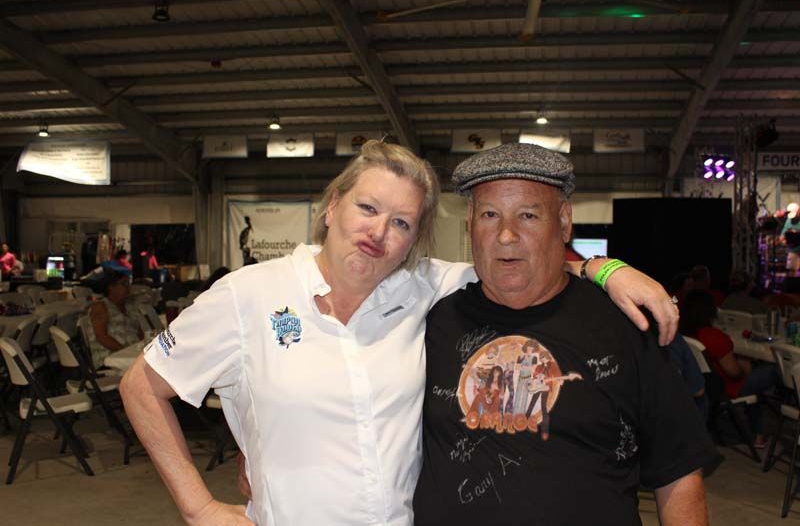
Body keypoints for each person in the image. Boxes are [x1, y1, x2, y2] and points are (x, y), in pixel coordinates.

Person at [119, 141, 679, 526]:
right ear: (333, 206)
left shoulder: (423, 291)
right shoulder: (248, 295)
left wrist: (605, 268)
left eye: (402, 223)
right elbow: (142, 386)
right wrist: (198, 507)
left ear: (414, 240)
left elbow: (520, 260)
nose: (378, 232)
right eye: (367, 207)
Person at [413, 143, 719, 526]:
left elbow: (678, 471)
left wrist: (602, 268)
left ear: (563, 222)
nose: (506, 235)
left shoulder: (624, 325)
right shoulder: (432, 320)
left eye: (528, 215)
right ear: (470, 223)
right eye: (490, 214)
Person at [680, 289, 779, 448]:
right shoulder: (714, 337)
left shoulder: (684, 334)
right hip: (726, 388)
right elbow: (734, 373)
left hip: (701, 384)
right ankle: (761, 431)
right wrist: (745, 367)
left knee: (756, 369)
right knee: (774, 369)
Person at [86, 269, 143, 369]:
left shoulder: (129, 307)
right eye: (124, 284)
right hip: (110, 360)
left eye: (128, 284)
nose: (128, 288)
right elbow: (101, 336)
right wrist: (125, 352)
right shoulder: (101, 306)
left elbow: (139, 333)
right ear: (111, 287)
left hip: (132, 357)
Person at [781, 202, 800, 276]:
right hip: (794, 250)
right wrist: (783, 240)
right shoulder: (789, 220)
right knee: (792, 271)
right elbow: (783, 235)